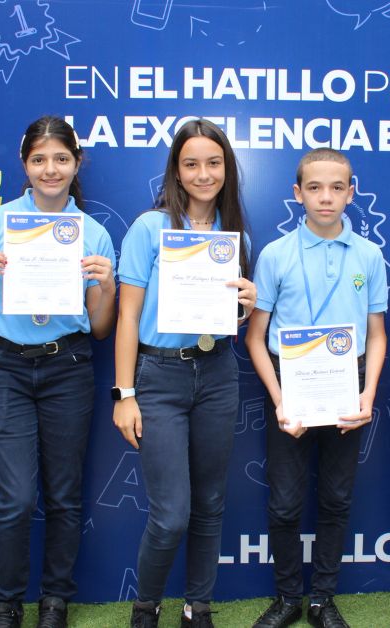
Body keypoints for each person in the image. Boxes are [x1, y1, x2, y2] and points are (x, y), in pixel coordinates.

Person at [0, 116, 117, 628]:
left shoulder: (93, 234)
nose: (50, 169)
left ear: (77, 163)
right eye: (39, 159)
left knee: (64, 495)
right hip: (3, 364)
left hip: (67, 366)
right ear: (24, 164)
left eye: (61, 159)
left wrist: (107, 286)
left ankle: (55, 601)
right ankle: (5, 602)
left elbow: (100, 328)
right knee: (16, 497)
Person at [113, 119, 258, 628]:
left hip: (217, 373)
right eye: (191, 164)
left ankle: (198, 607)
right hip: (158, 376)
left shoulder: (234, 235)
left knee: (210, 504)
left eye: (214, 163)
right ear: (176, 170)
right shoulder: (149, 228)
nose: (203, 174)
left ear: (227, 168)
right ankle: (146, 606)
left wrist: (246, 306)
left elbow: (229, 320)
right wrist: (124, 393)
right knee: (171, 513)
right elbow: (127, 316)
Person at [244, 149, 388, 628]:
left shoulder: (369, 255)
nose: (326, 197)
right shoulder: (275, 254)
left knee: (336, 498)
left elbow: (377, 335)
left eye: (336, 187)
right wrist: (280, 399)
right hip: (290, 385)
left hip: (349, 383)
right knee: (285, 501)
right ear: (297, 193)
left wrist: (368, 394)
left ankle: (323, 599)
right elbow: (256, 337)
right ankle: (288, 597)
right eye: (314, 188)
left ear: (351, 192)